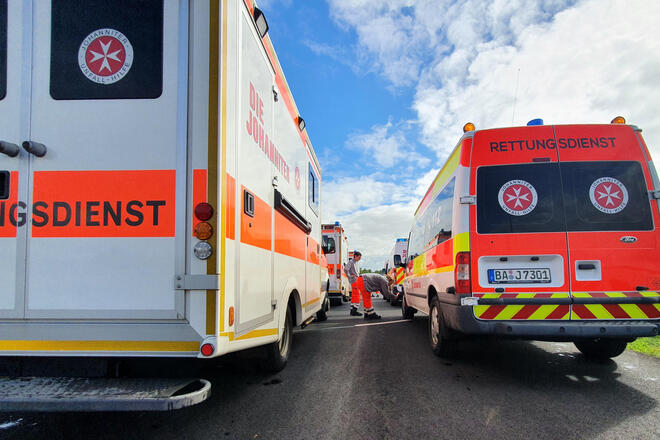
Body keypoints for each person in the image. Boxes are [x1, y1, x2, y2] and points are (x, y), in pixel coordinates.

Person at [345, 251, 382, 320]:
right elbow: (346, 269)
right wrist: (350, 276)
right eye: (359, 257)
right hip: (354, 280)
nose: (360, 259)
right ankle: (354, 310)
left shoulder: (356, 262)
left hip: (356, 279)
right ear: (355, 256)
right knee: (357, 295)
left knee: (355, 295)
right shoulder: (351, 262)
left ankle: (353, 310)